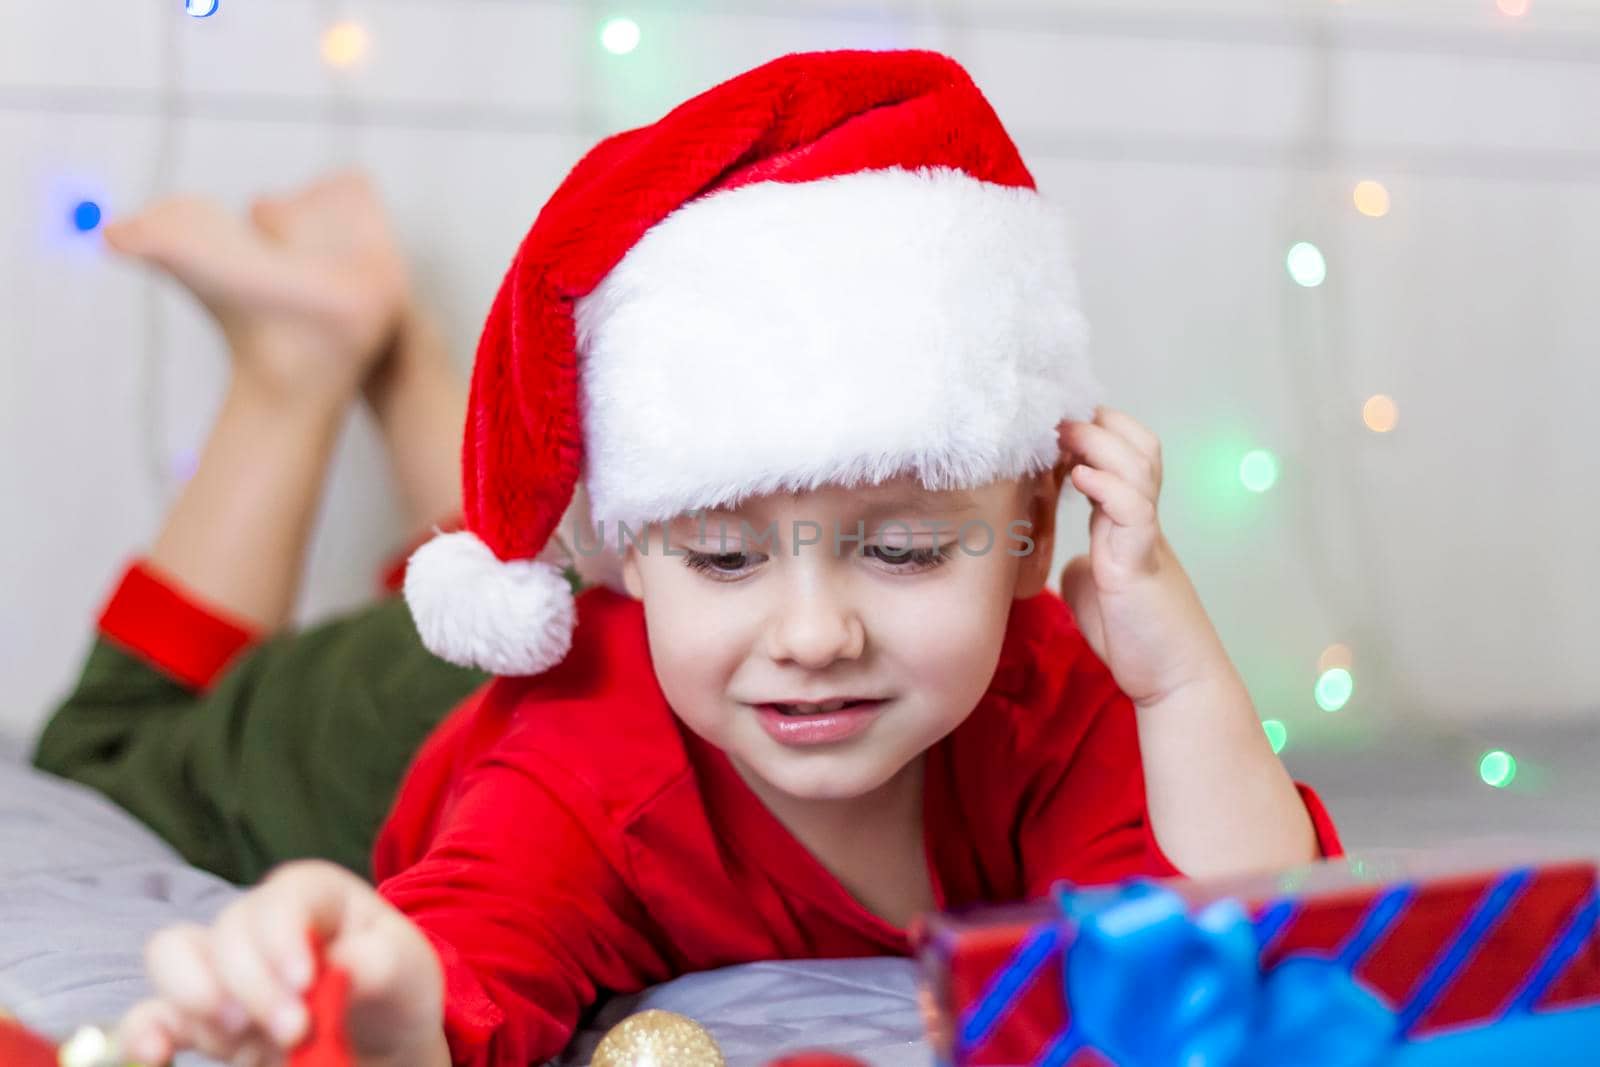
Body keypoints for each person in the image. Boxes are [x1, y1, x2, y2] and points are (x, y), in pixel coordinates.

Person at [115, 50, 1344, 1067]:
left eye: (905, 547)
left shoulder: (1043, 692)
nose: (815, 635)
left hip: (625, 630)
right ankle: (301, 364)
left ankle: (402, 362)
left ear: (1030, 536)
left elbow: (1243, 942)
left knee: (591, 551)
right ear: (628, 548)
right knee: (109, 734)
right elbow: (456, 967)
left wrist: (1180, 679)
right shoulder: (578, 781)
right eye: (722, 551)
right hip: (383, 705)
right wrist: (371, 1005)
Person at [30, 171, 587, 883]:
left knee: (94, 754)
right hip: (539, 683)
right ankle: (346, 356)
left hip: (531, 688)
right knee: (494, 607)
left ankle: (346, 356)